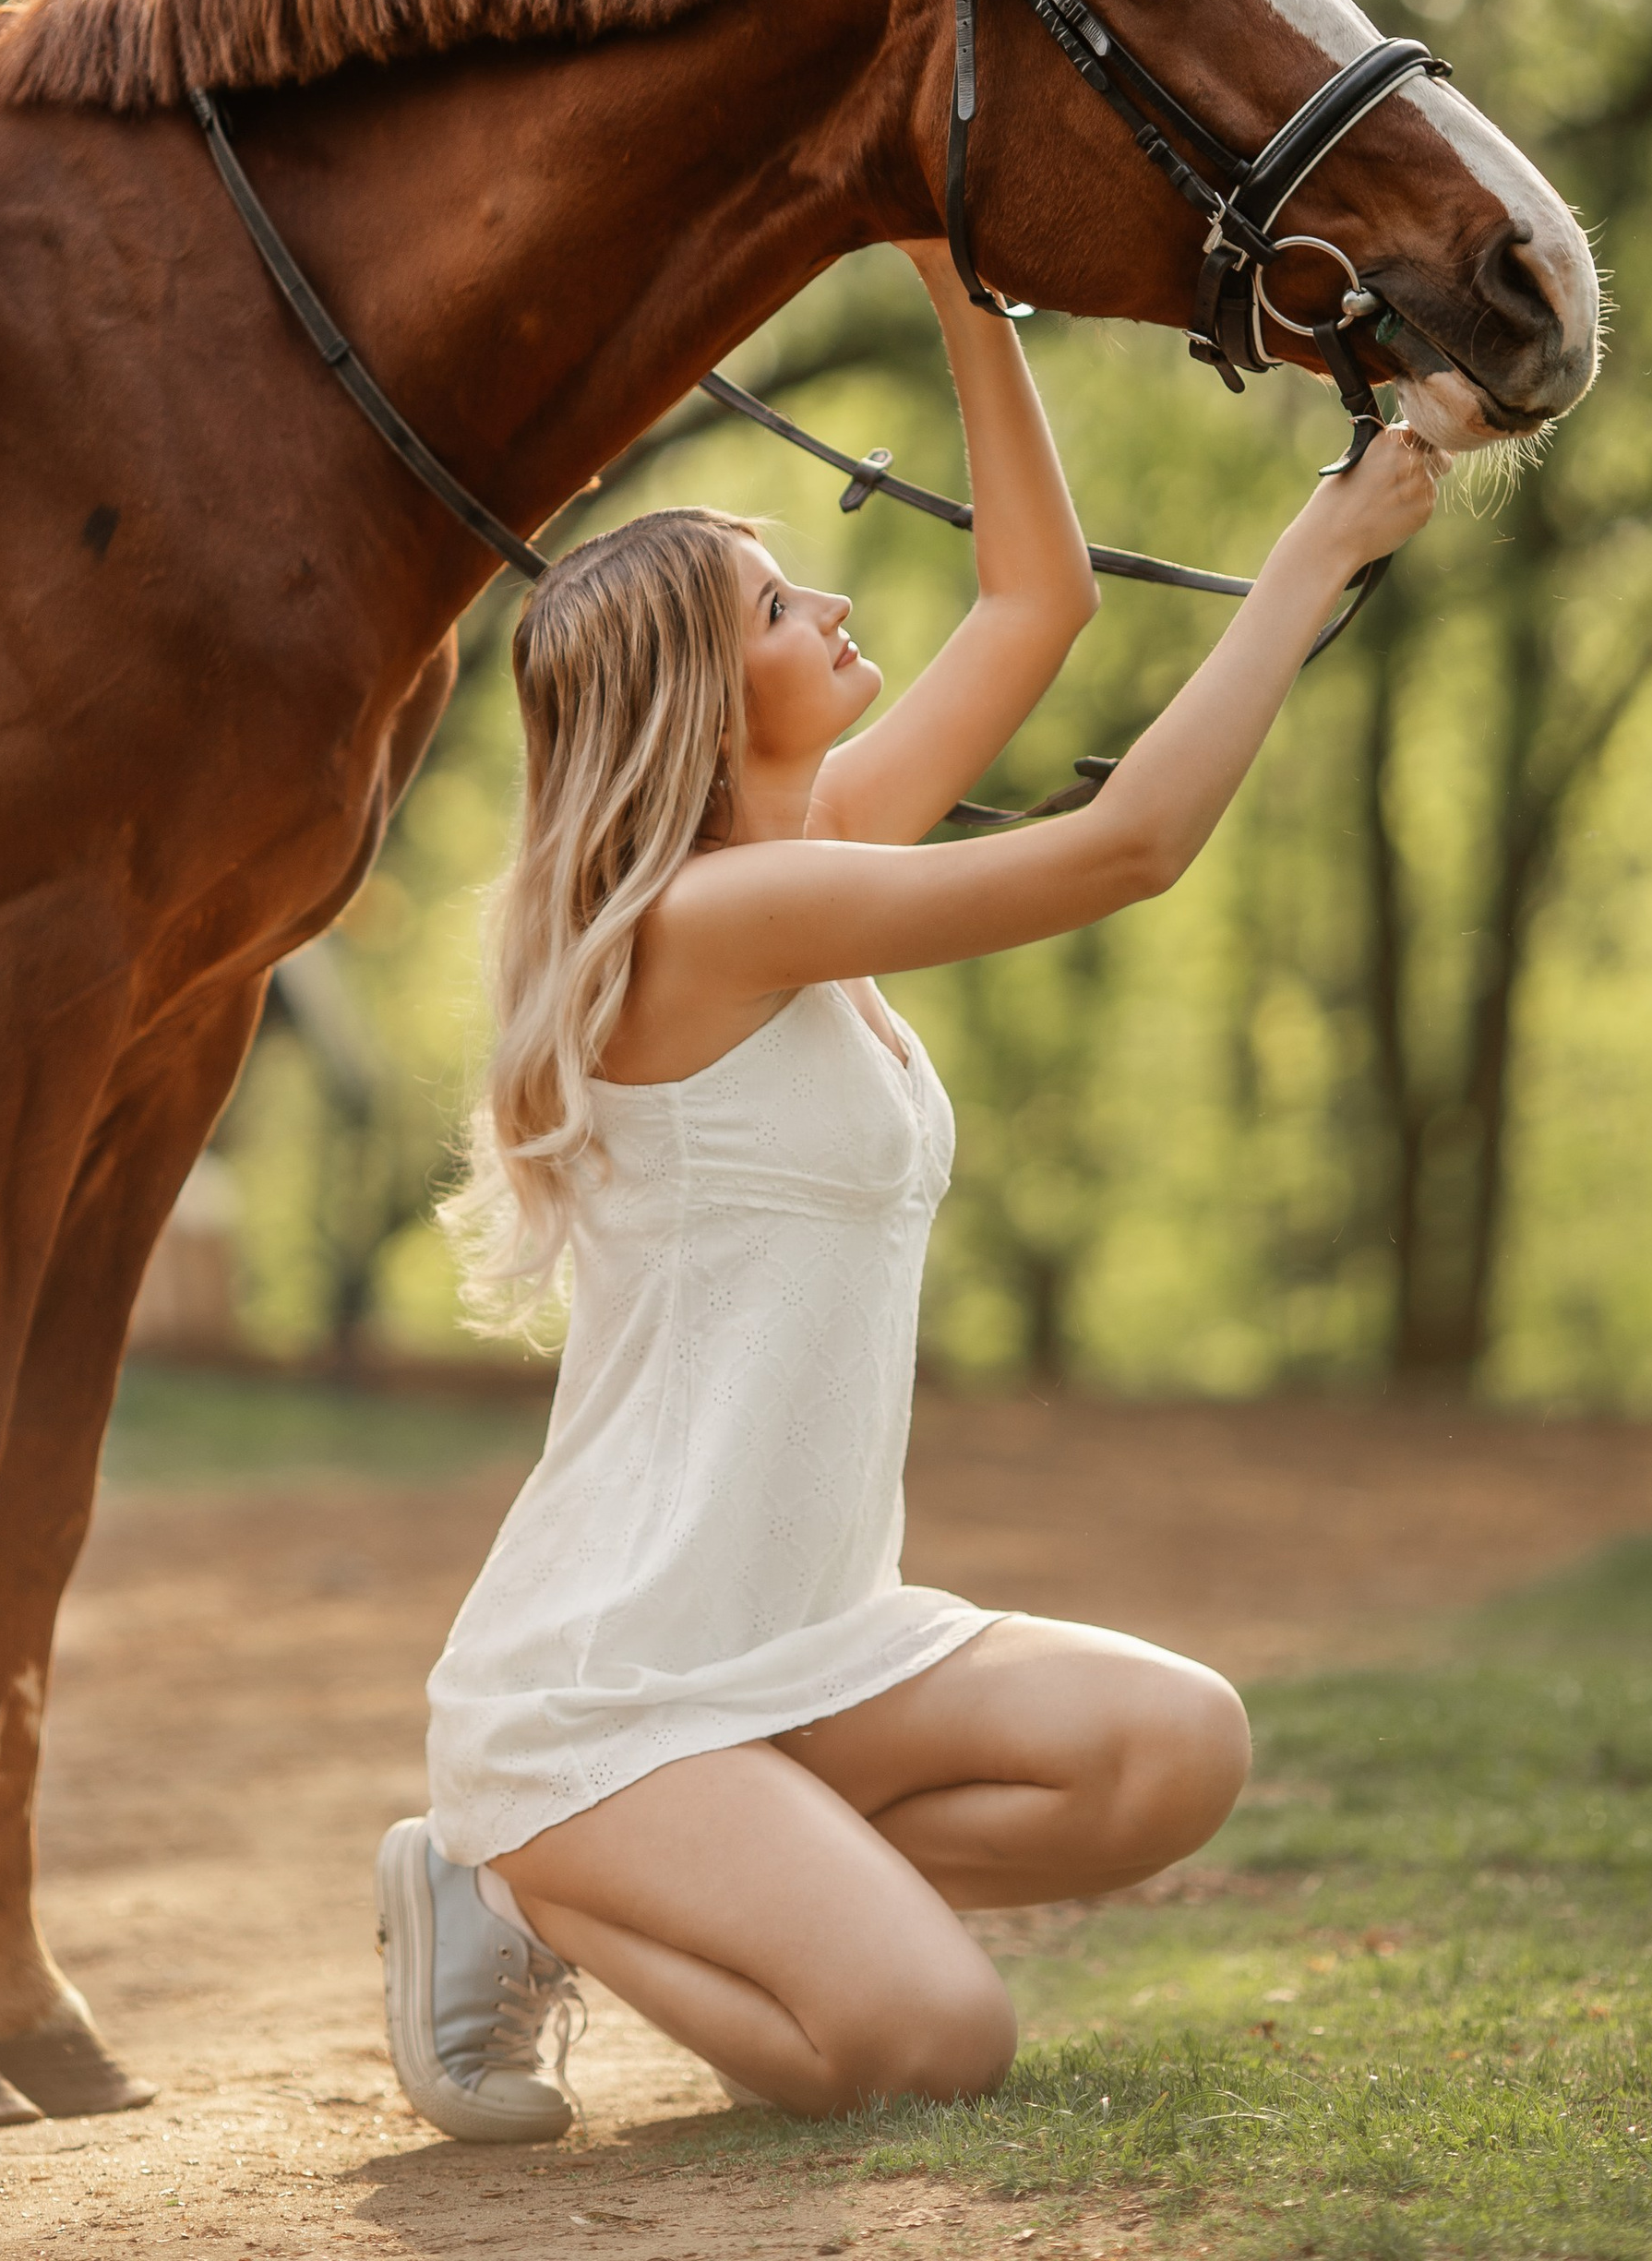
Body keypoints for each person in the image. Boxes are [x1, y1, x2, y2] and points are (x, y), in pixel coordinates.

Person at [373, 241, 1442, 2142]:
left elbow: (1037, 597)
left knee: (1170, 1750)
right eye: (779, 604)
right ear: (706, 701)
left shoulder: (820, 848)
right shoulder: (720, 916)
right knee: (932, 2048)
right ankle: (515, 1874)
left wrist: (972, 297)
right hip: (616, 1678)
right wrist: (1313, 558)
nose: (833, 599)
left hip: (806, 1644)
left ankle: (742, 1857)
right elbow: (1122, 849)